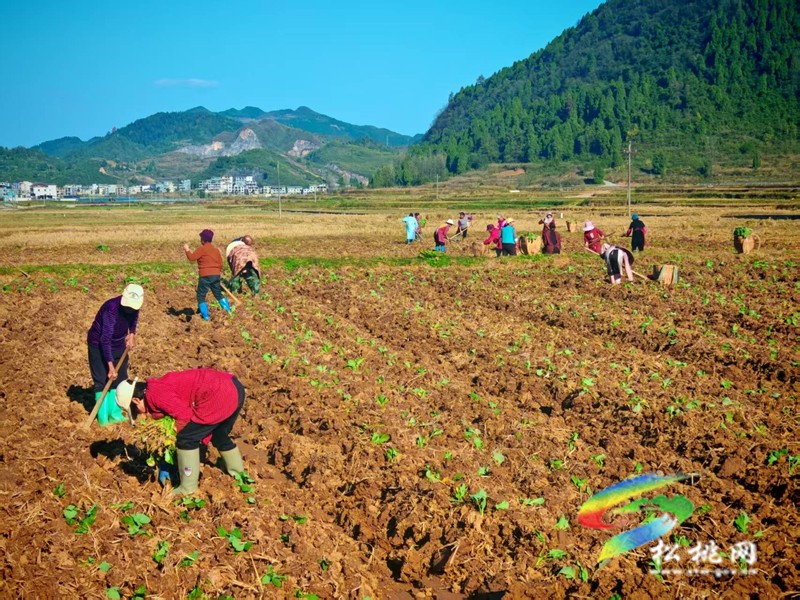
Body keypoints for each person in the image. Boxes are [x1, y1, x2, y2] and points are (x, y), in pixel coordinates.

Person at [115, 368, 246, 496]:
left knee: (186, 438)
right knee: (218, 434)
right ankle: (239, 475)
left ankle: (188, 488)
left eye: (135, 410)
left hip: (220, 394)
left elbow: (184, 416)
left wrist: (183, 442)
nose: (140, 413)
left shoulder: (155, 394)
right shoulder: (156, 387)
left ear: (136, 400)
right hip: (234, 388)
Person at [86, 284, 144, 425]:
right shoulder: (111, 309)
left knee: (120, 378)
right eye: (128, 307)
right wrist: (110, 366)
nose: (130, 309)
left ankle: (114, 414)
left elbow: (134, 319)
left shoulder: (134, 308)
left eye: (133, 308)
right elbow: (105, 340)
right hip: (98, 344)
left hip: (119, 344)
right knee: (102, 380)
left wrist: (132, 334)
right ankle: (103, 417)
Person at [183, 229, 231, 321]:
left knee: (201, 296)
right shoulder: (216, 250)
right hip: (216, 275)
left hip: (205, 275)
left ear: (203, 239)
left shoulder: (202, 249)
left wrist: (187, 250)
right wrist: (216, 273)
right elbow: (220, 264)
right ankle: (228, 312)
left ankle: (206, 317)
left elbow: (192, 258)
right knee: (218, 294)